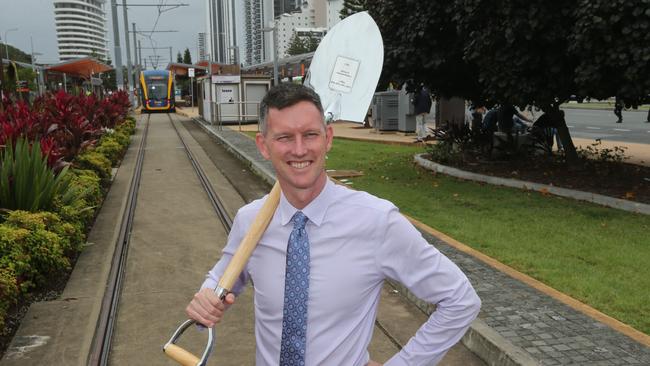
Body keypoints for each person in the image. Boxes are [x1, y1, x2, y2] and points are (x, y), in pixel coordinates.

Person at [186, 83, 481, 366]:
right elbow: (221, 279)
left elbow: (460, 299)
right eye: (285, 137)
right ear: (263, 146)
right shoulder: (250, 221)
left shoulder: (377, 221)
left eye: (310, 135)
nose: (299, 150)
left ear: (328, 138)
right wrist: (206, 298)